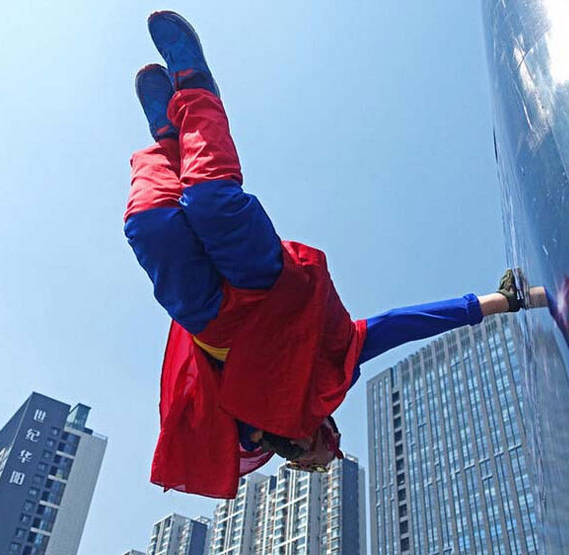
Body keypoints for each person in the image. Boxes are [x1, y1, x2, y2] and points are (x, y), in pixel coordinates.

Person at [125, 11, 524, 498]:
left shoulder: (242, 445)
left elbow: (191, 427)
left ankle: (168, 142)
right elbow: (401, 324)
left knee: (150, 227)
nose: (310, 459)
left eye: (307, 467)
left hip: (214, 326)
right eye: (324, 456)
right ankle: (195, 87)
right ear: (328, 432)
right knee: (211, 202)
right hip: (273, 294)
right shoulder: (333, 376)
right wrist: (497, 303)